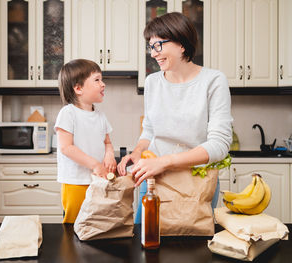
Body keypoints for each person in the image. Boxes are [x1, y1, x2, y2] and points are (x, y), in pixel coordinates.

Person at [117, 12, 233, 223]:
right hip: (153, 178)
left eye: (158, 45)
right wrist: (138, 152)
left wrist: (165, 162)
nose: (153, 54)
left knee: (192, 251)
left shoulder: (214, 81)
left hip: (197, 182)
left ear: (181, 44)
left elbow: (219, 144)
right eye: (151, 47)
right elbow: (150, 130)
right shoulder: (153, 82)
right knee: (146, 244)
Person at [55, 59, 116, 223]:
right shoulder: (68, 114)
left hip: (98, 182)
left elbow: (107, 143)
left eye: (102, 79)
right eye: (97, 80)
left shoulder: (100, 116)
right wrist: (96, 165)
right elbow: (66, 148)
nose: (103, 84)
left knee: (95, 225)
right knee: (73, 226)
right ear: (78, 88)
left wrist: (109, 156)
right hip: (75, 183)